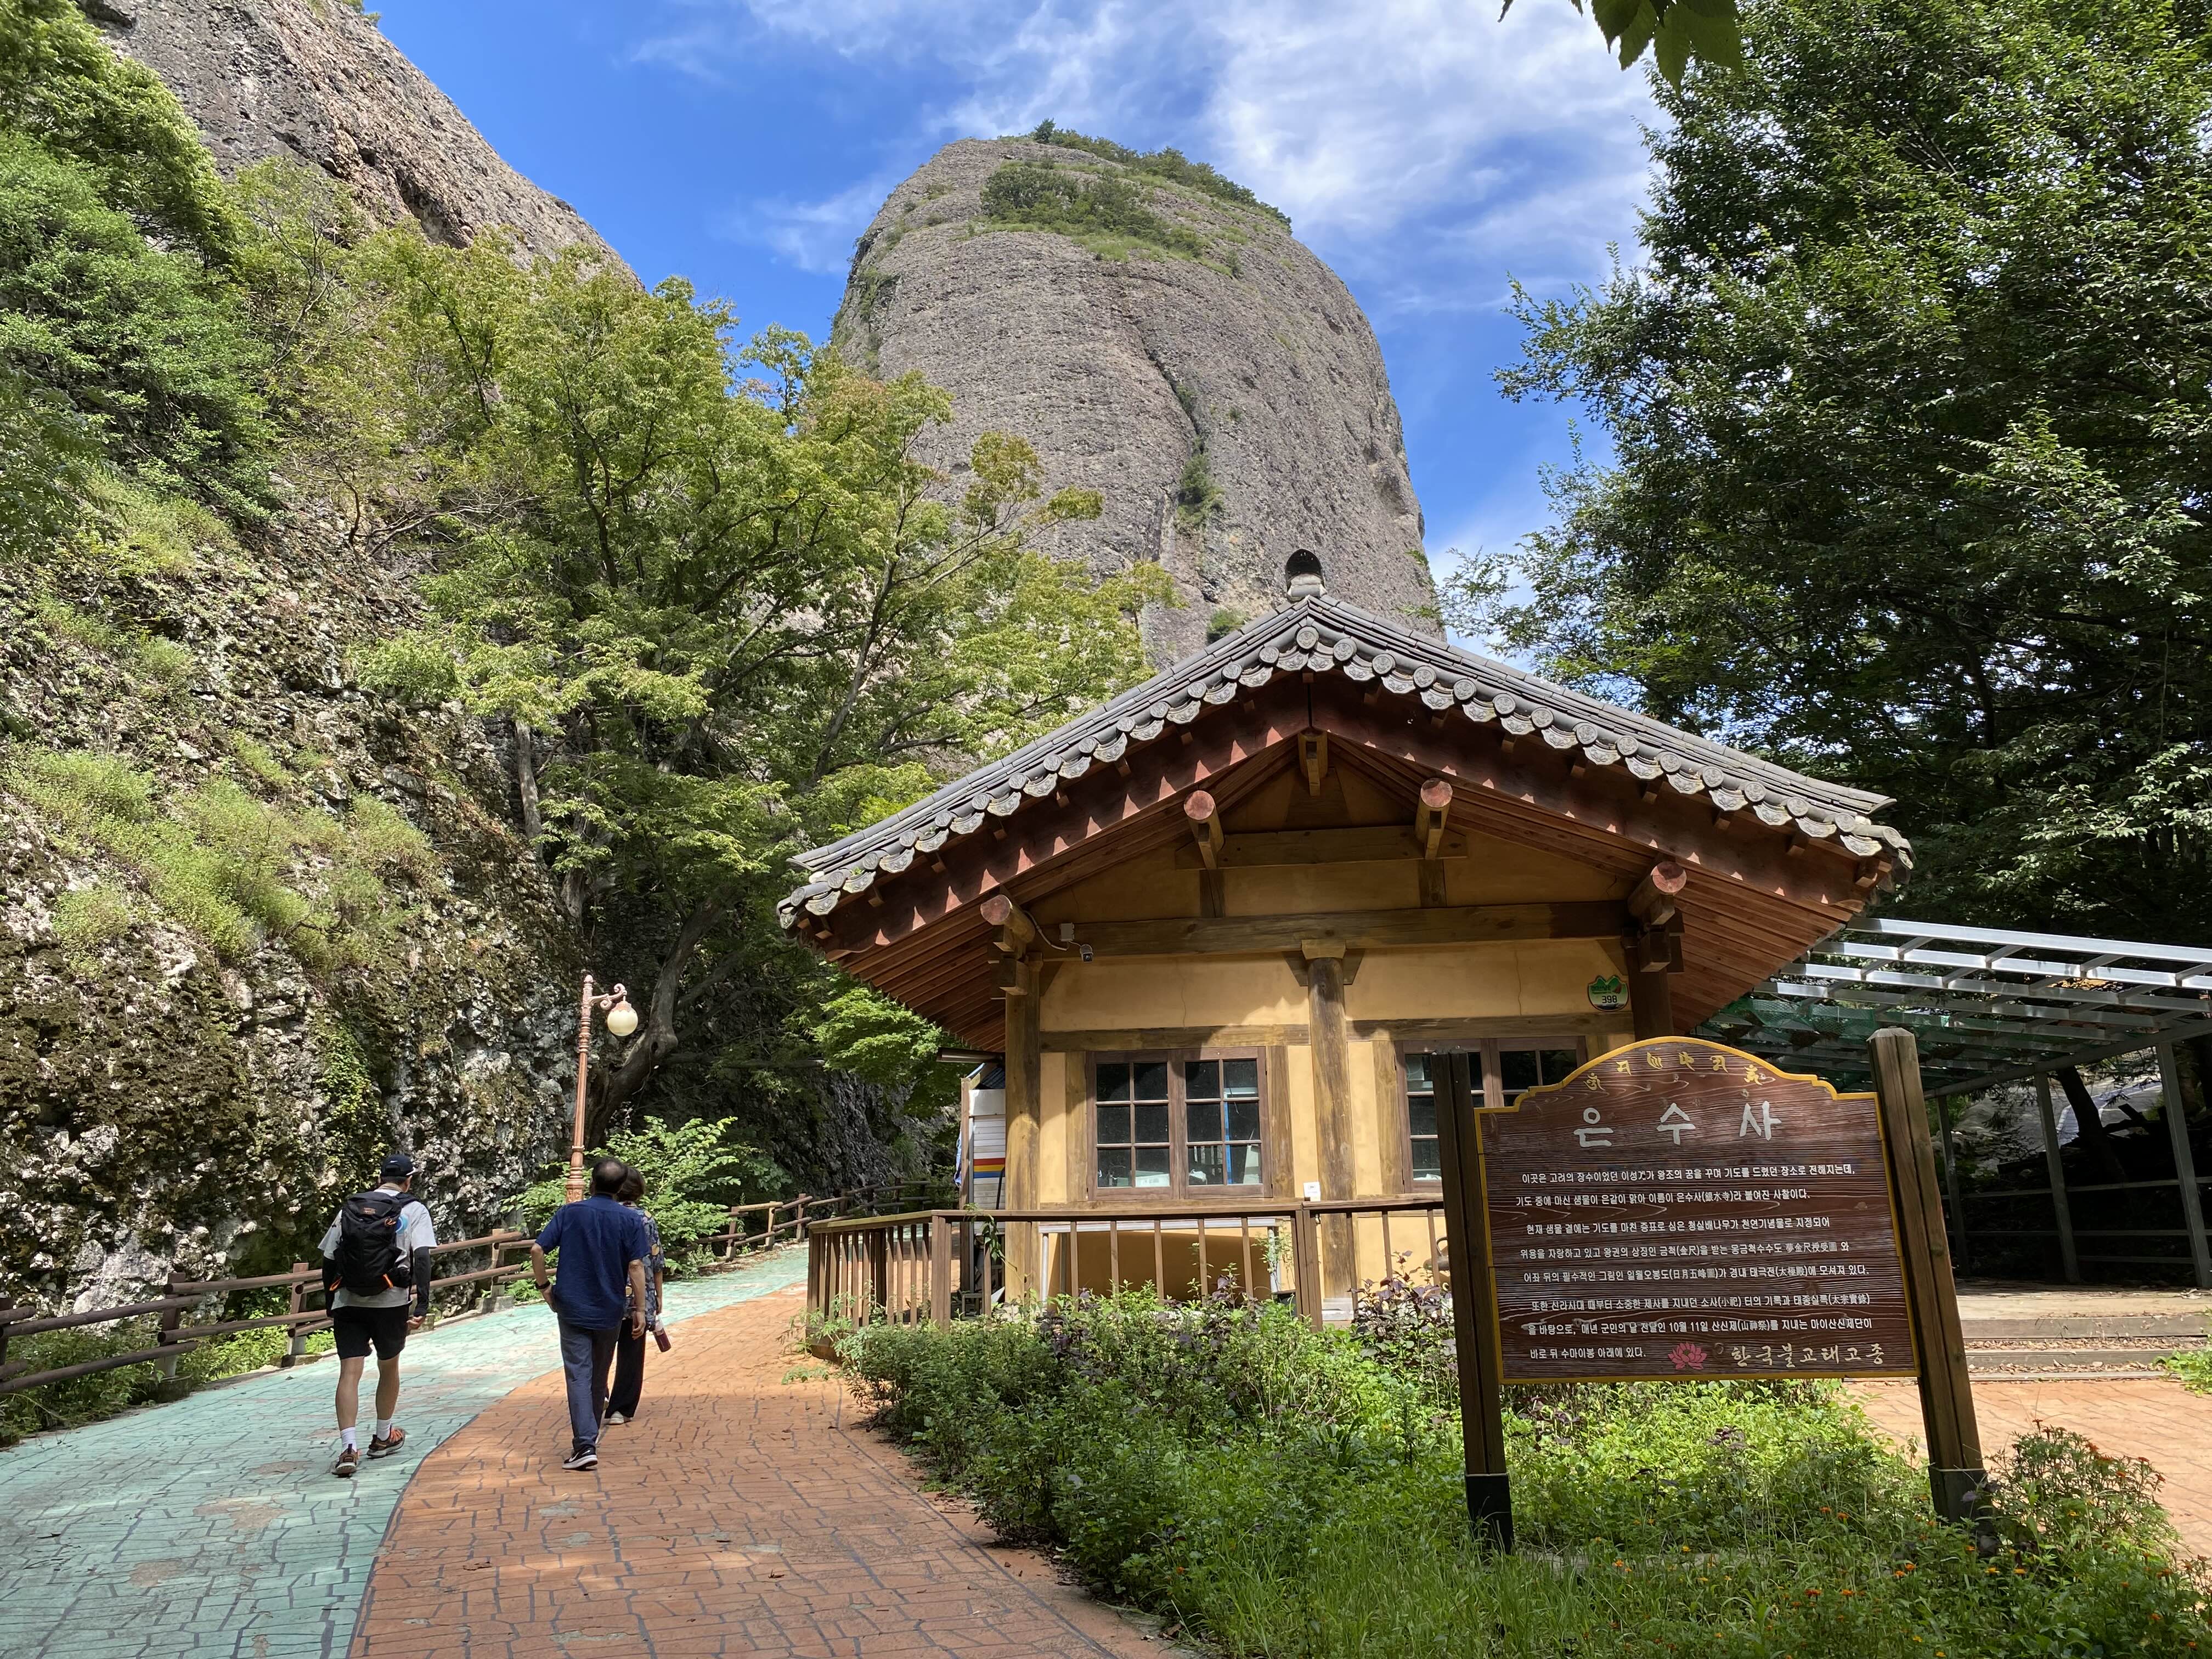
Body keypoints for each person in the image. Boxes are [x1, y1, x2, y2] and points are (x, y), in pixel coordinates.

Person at [320, 1152, 436, 1479]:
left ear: (380, 1178)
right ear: (408, 1181)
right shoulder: (414, 1210)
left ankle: (349, 1447)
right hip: (391, 1301)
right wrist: (422, 1305)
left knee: (349, 1373)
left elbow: (329, 1258)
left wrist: (331, 1301)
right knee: (389, 1367)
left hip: (348, 1300)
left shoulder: (352, 1207)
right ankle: (383, 1437)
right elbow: (422, 1257)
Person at [531, 1156, 648, 1470]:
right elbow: (636, 1265)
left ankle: (584, 1444)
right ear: (620, 1188)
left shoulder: (570, 1212)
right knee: (598, 1374)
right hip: (610, 1309)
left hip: (571, 1306)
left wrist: (544, 1286)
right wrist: (640, 1309)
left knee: (578, 1374)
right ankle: (589, 1439)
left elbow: (538, 1250)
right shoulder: (630, 1220)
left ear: (592, 1183)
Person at [605, 1166, 667, 1426]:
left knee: (600, 1349)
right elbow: (655, 1261)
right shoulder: (645, 1218)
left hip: (605, 1293)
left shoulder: (604, 1216)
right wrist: (658, 1297)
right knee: (631, 1352)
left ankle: (599, 1394)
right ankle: (621, 1409)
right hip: (638, 1297)